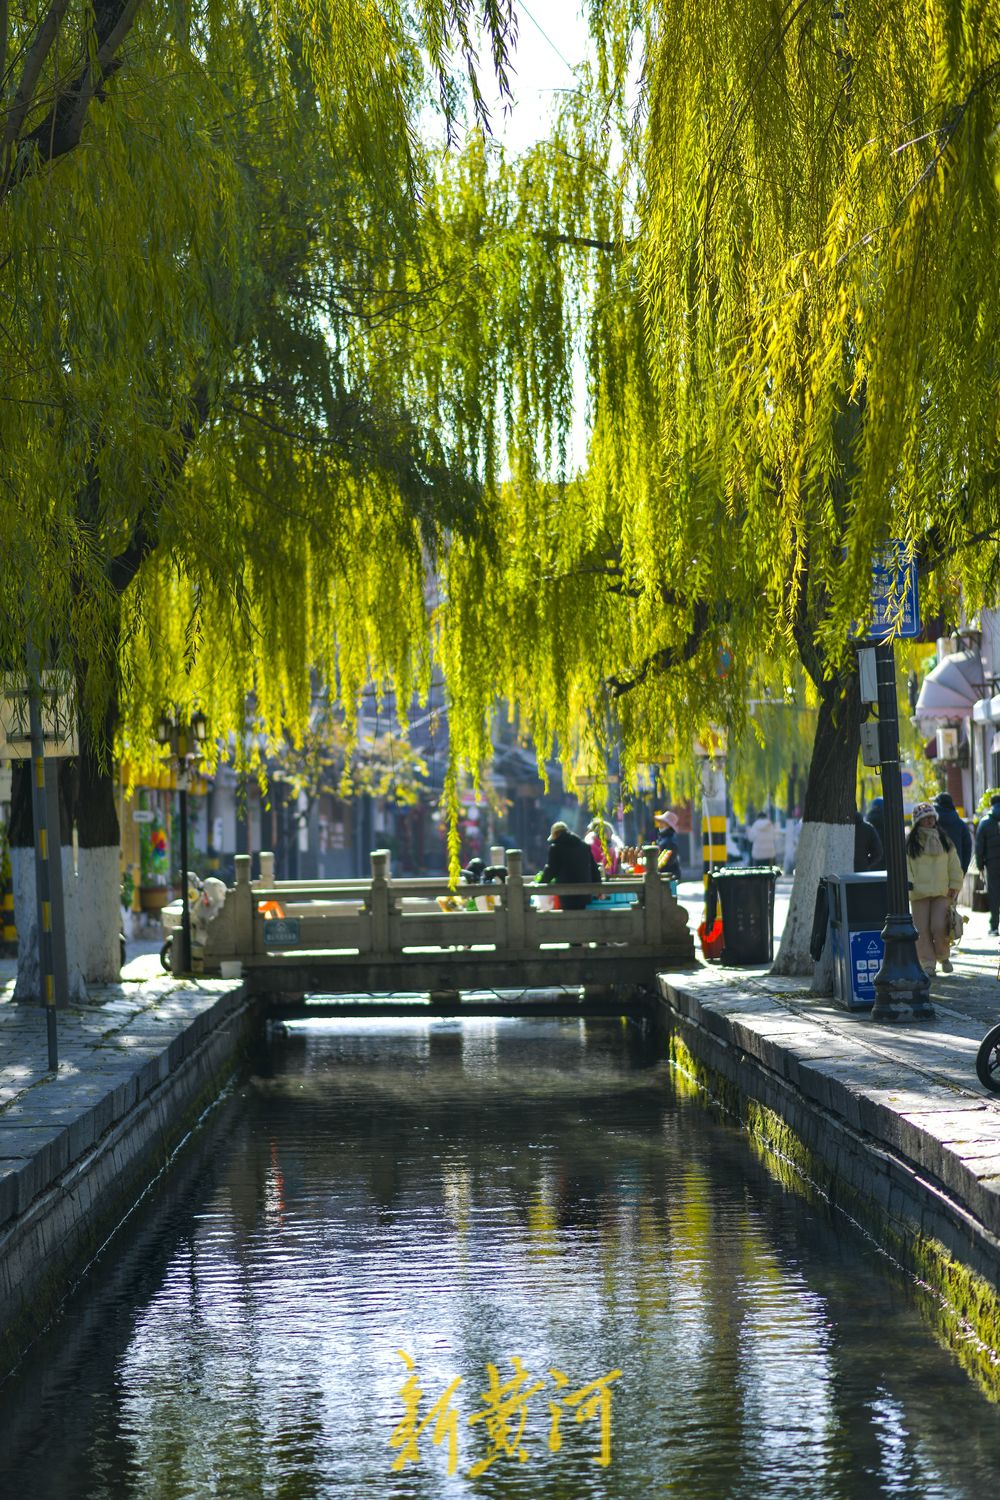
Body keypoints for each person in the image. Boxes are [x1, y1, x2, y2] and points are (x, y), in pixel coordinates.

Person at [907, 801, 963, 975]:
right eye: (925, 818)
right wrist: (910, 884)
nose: (930, 821)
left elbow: (954, 865)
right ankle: (928, 963)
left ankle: (943, 955)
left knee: (940, 926)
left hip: (942, 892)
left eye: (932, 817)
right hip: (919, 894)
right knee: (921, 930)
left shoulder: (945, 840)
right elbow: (905, 866)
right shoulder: (911, 843)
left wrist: (954, 885)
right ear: (917, 822)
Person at [540, 821, 601, 909]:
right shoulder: (584, 846)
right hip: (585, 895)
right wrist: (599, 889)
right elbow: (594, 869)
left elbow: (551, 870)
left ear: (556, 834)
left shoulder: (556, 848)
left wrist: (540, 885)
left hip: (566, 895)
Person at [975, 795, 1000, 935]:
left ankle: (994, 926)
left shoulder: (985, 822)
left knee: (995, 893)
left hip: (993, 862)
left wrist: (980, 865)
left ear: (991, 804)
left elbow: (979, 847)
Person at [933, 792, 972, 874]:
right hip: (956, 869)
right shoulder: (960, 824)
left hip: (934, 871)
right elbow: (967, 847)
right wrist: (963, 869)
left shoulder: (930, 823)